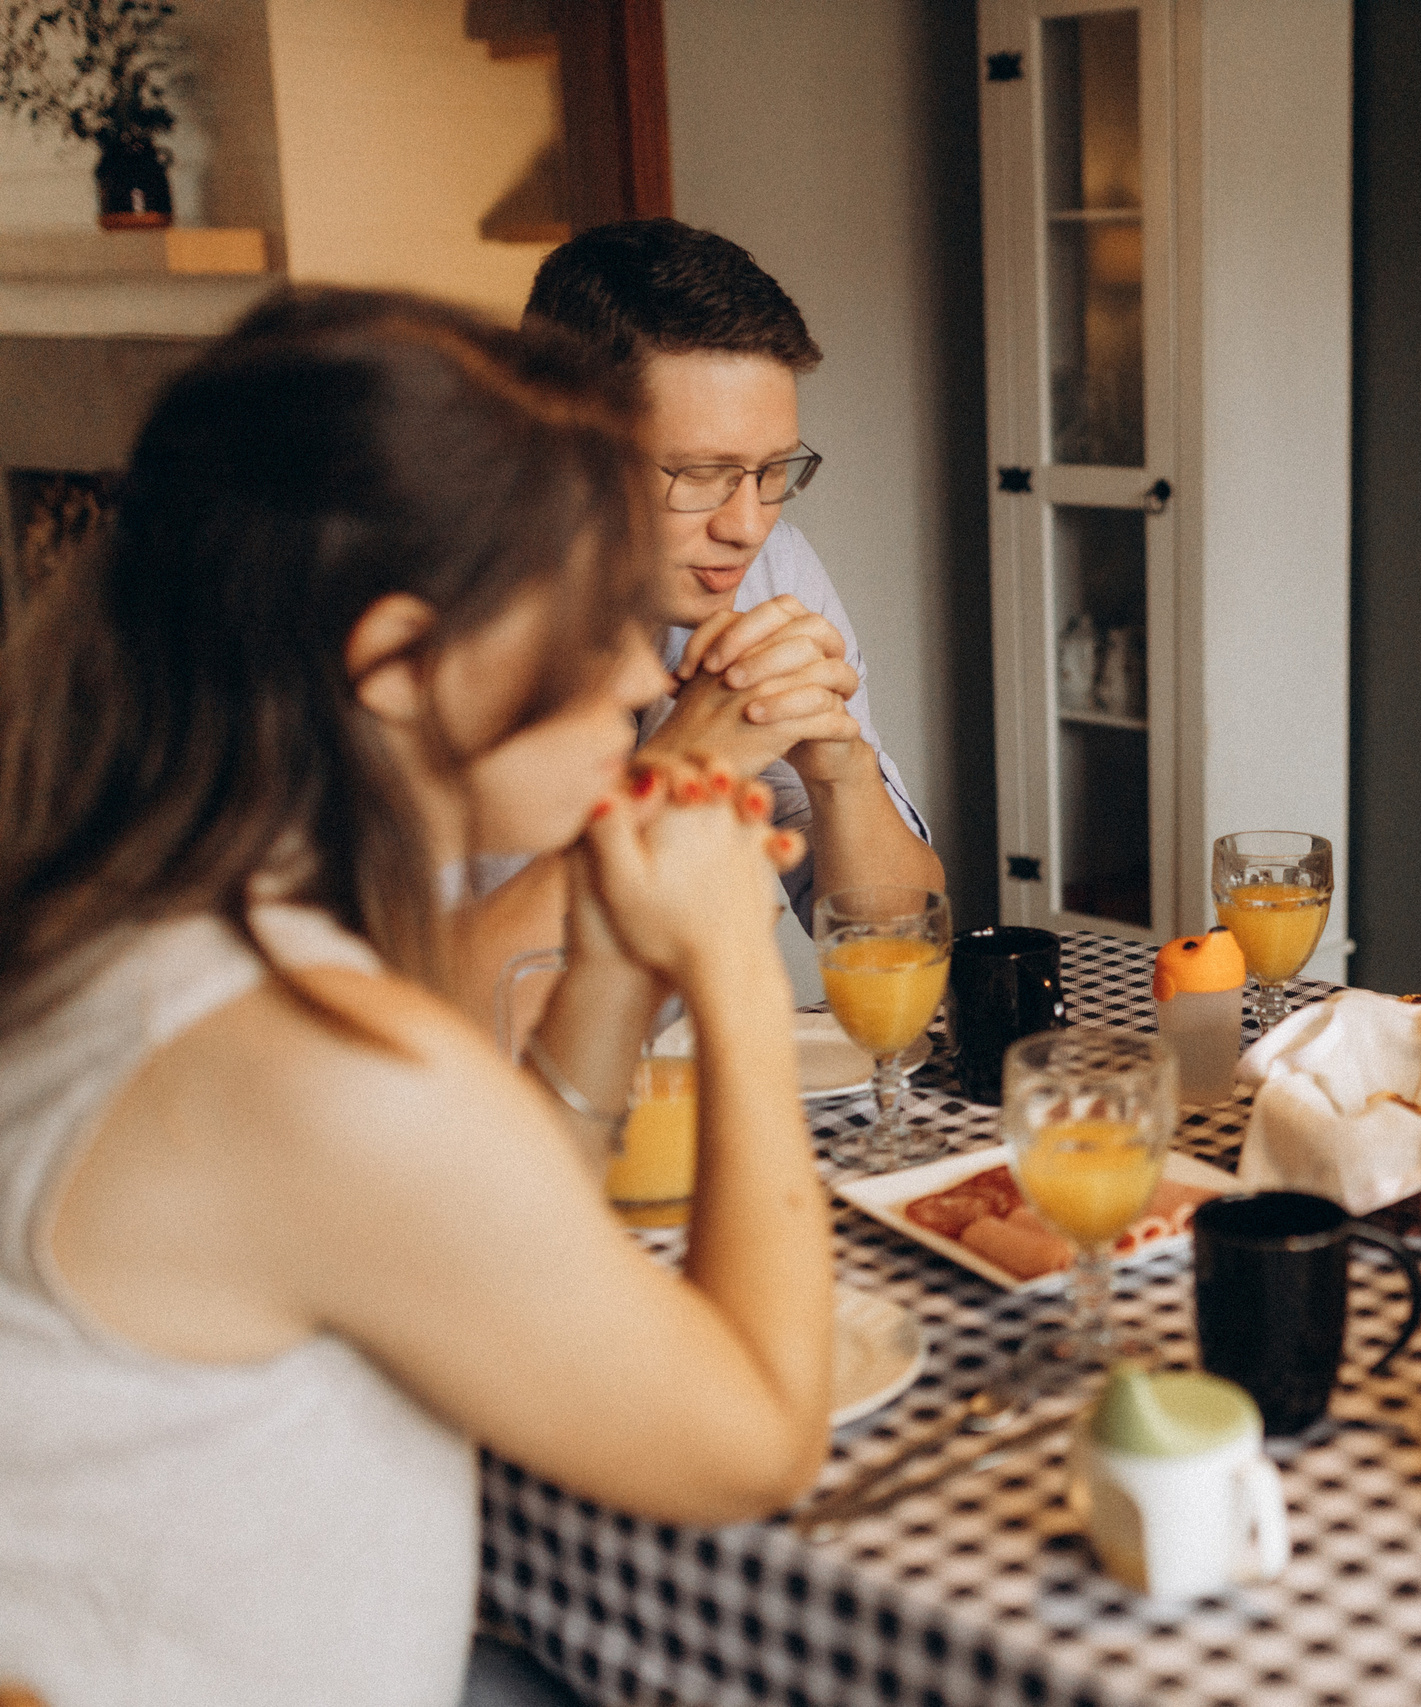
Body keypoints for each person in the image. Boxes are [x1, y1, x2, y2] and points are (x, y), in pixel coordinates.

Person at [0, 291, 835, 1704]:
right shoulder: (302, 1061)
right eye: (589, 622)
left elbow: (484, 1211)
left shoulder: (143, 919)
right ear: (394, 663)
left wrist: (612, 969)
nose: (640, 673)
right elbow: (754, 1444)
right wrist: (735, 973)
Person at [511, 216, 942, 933]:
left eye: (772, 470)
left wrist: (843, 771)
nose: (748, 525)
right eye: (701, 473)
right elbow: (450, 988)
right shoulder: (447, 616)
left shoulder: (771, 566)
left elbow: (895, 938)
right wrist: (683, 767)